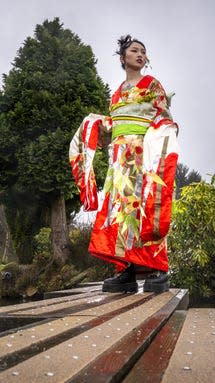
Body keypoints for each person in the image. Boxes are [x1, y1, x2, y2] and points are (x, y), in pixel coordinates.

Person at [69, 35, 179, 293]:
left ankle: (158, 269)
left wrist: (161, 138)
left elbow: (165, 119)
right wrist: (97, 124)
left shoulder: (153, 85)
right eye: (134, 50)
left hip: (145, 153)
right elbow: (115, 124)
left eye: (143, 51)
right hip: (119, 160)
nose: (140, 54)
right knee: (120, 210)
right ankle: (126, 270)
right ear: (123, 58)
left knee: (147, 206)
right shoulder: (117, 93)